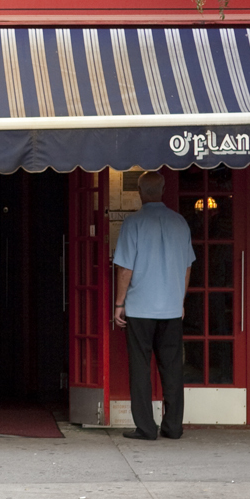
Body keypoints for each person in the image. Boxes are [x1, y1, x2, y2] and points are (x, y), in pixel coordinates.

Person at [111, 170, 195, 440]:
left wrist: (119, 303)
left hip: (140, 308)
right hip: (170, 308)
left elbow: (125, 269)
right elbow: (186, 267)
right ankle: (173, 426)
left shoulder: (133, 223)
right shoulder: (180, 222)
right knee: (172, 369)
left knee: (140, 369)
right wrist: (179, 299)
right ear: (163, 189)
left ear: (139, 191)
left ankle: (146, 427)